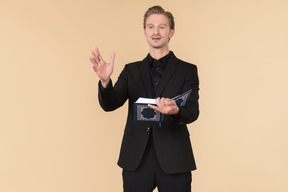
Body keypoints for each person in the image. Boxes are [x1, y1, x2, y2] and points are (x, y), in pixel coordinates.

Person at [89, 5, 199, 192]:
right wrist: (106, 81)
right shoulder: (131, 70)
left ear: (171, 32)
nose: (156, 31)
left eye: (162, 27)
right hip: (136, 159)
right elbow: (110, 104)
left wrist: (176, 110)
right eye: (151, 26)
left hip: (175, 158)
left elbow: (192, 112)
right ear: (144, 32)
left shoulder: (187, 70)